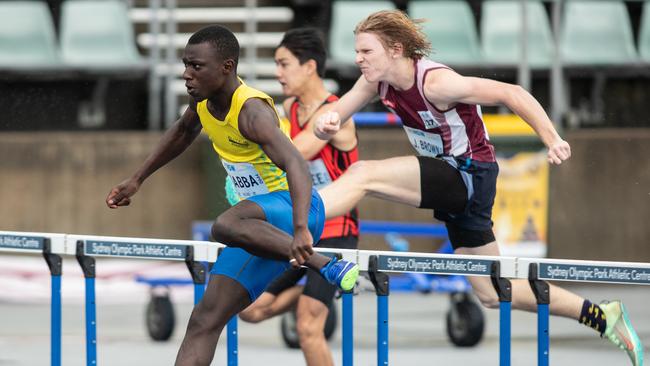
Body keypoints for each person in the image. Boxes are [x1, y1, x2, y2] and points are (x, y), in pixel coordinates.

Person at [314, 10, 644, 366]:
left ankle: (296, 219)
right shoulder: (374, 82)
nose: (357, 59)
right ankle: (602, 315)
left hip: (468, 174)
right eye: (357, 51)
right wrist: (326, 123)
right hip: (453, 181)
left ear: (395, 49)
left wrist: (552, 138)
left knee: (364, 174)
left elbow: (512, 92)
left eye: (366, 51)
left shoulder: (437, 83)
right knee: (491, 290)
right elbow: (335, 115)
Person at [104, 25, 359, 366]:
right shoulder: (203, 102)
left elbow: (298, 165)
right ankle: (318, 263)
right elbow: (182, 131)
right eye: (185, 64)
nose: (186, 74)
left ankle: (321, 263)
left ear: (227, 67)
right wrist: (137, 179)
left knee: (224, 224)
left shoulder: (252, 111)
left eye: (197, 66)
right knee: (204, 320)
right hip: (260, 224)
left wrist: (301, 230)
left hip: (295, 207)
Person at [237, 28, 359, 366]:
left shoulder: (335, 115)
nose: (277, 73)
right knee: (249, 308)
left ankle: (321, 289)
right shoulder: (289, 107)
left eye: (283, 64)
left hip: (336, 232)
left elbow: (296, 152)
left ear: (309, 67)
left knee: (307, 327)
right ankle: (316, 289)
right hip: (299, 231)